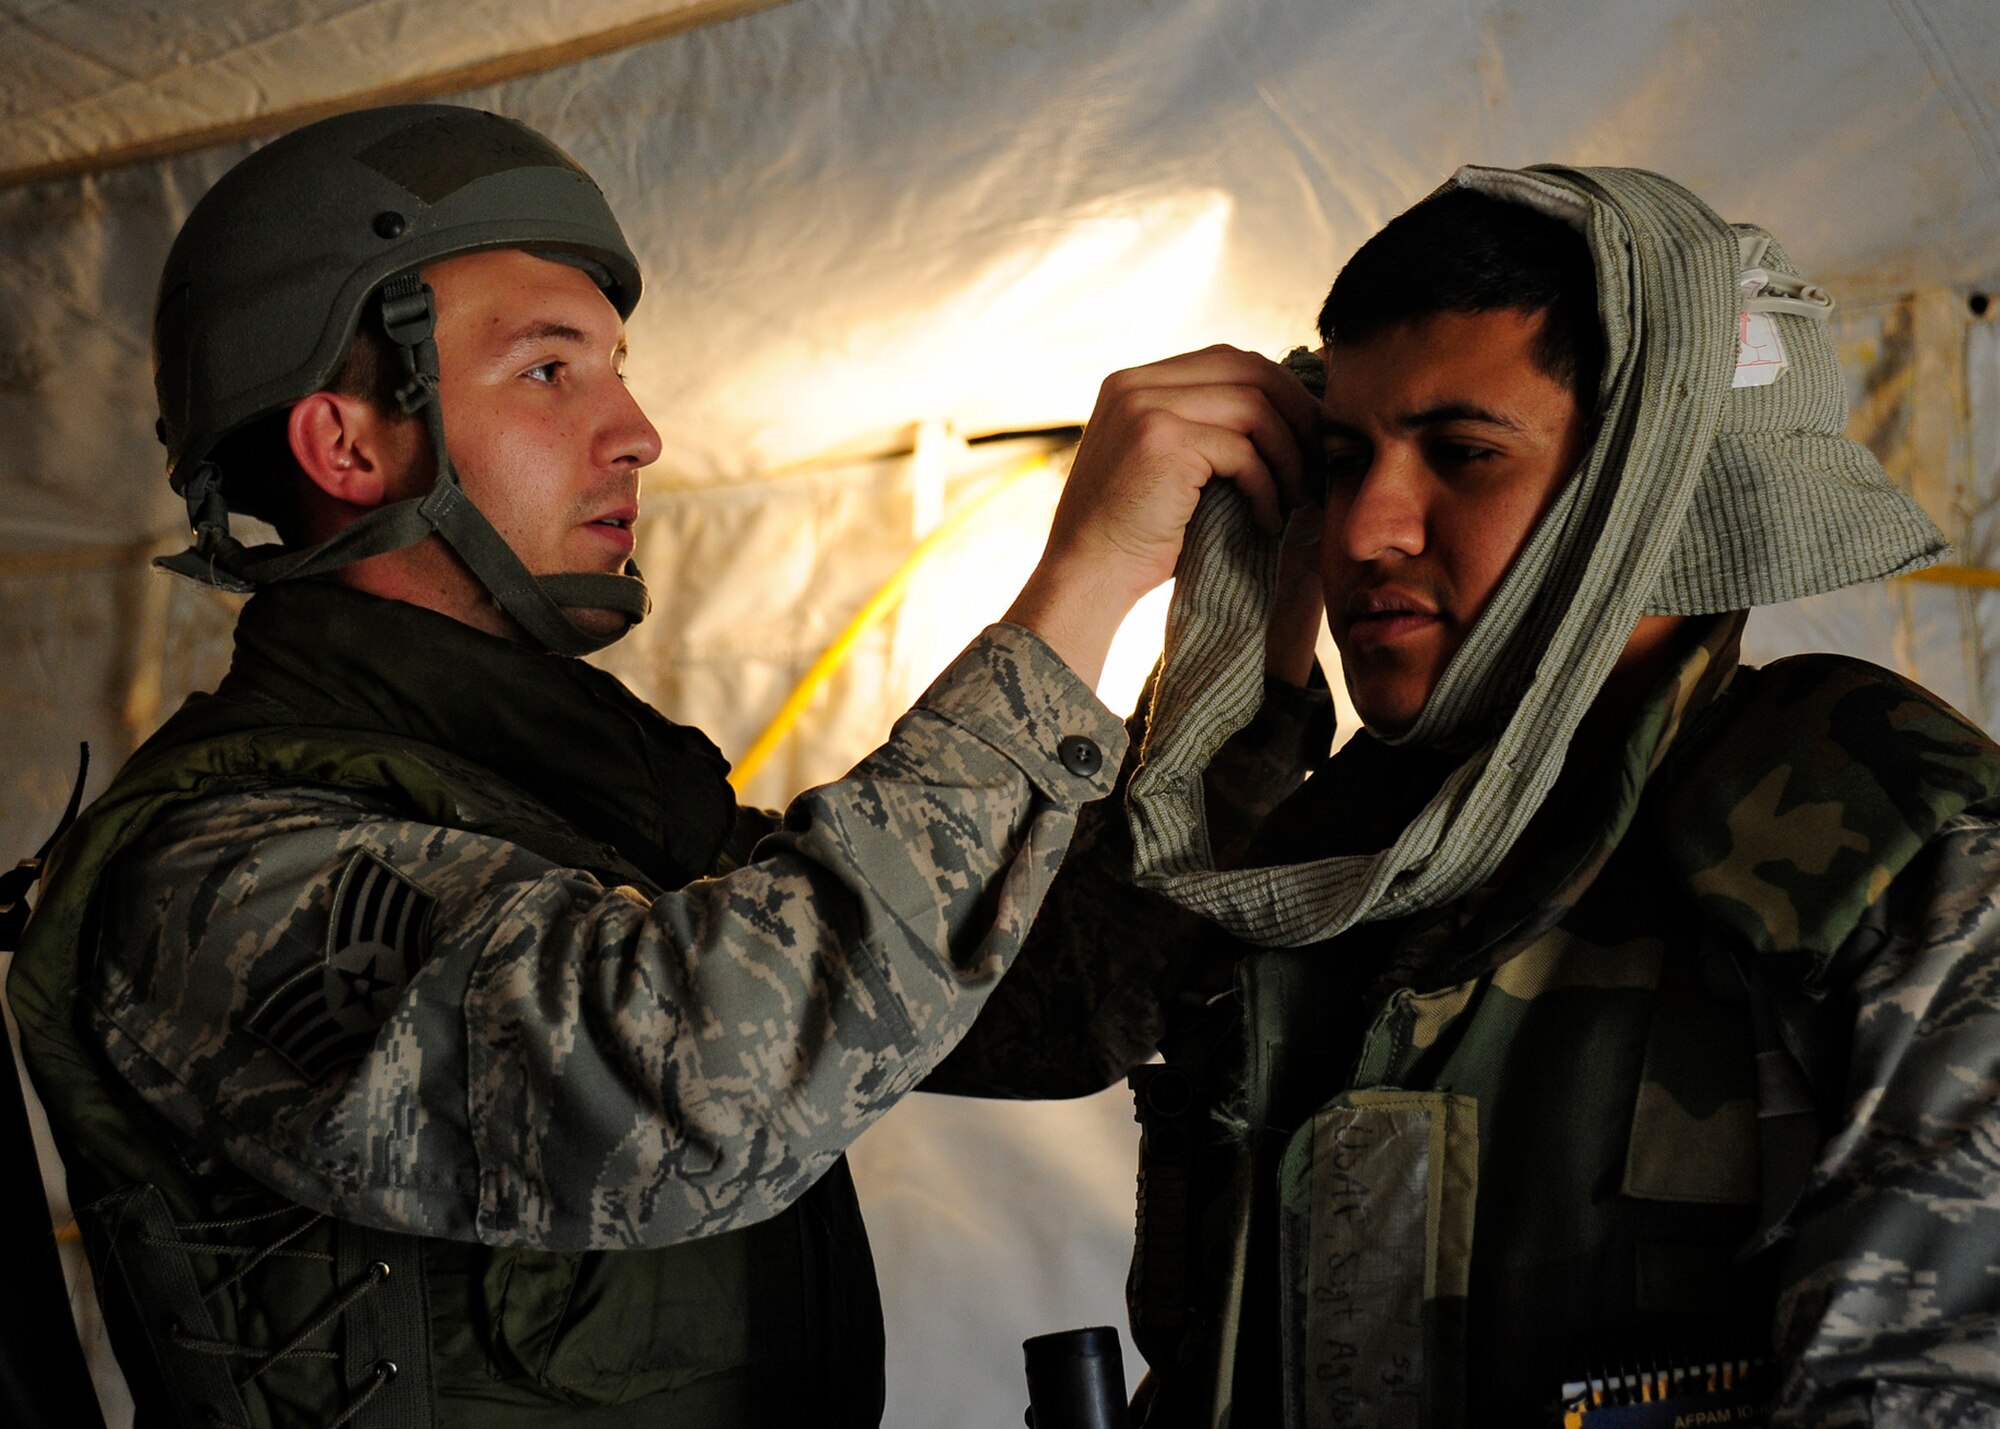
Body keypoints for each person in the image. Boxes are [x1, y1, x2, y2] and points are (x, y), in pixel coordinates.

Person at [4, 104, 1315, 1428]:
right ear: (349, 445)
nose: (638, 431)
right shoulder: (210, 876)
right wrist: (1078, 587)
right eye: (546, 372)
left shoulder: (597, 812)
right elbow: (704, 1087)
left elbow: (1049, 1004)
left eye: (618, 369)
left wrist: (1246, 669)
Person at [929, 166, 2000, 1425]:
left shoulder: (1891, 867)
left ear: (1640, 488)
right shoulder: (1308, 863)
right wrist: (1227, 698)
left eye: (1462, 453)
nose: (1365, 527)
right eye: (1338, 461)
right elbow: (968, 1017)